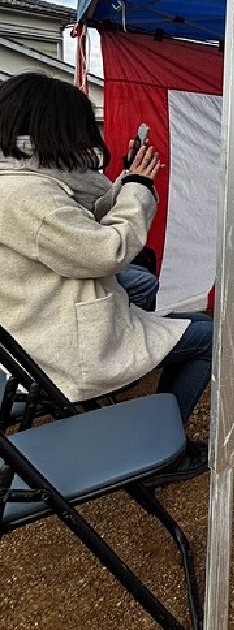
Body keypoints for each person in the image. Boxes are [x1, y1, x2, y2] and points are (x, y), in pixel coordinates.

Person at [0, 73, 212, 483]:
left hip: (37, 321)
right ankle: (159, 451)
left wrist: (128, 183)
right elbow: (105, 252)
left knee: (151, 293)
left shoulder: (22, 179)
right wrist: (138, 189)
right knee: (210, 338)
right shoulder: (25, 195)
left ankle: (146, 411)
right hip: (59, 345)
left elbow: (77, 225)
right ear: (53, 127)